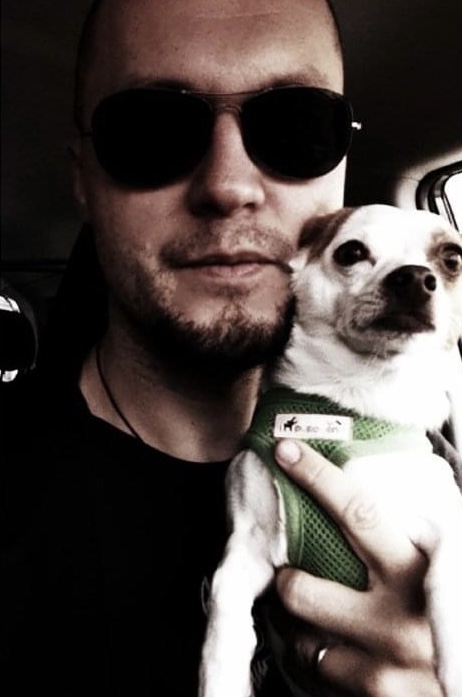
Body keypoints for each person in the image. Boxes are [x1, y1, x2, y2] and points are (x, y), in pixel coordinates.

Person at [1, 0, 457, 695]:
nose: (228, 185)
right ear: (82, 177)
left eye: (296, 125)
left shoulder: (439, 464)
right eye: (151, 130)